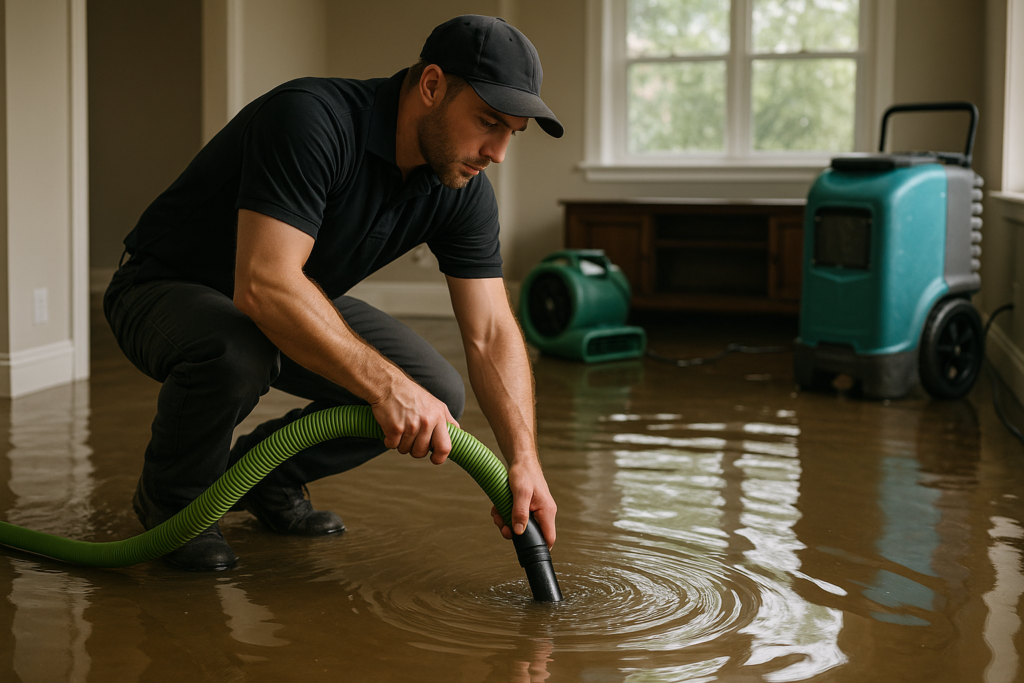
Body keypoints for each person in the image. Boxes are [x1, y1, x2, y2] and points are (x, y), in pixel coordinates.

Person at [103, 15, 561, 571]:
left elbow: (491, 332)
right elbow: (264, 283)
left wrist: (524, 460)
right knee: (240, 352)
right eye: (488, 121)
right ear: (432, 85)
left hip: (287, 292)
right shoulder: (311, 119)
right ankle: (172, 504)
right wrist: (385, 385)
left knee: (433, 390)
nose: (498, 153)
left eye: (512, 132)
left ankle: (264, 478)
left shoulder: (459, 186)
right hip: (164, 286)